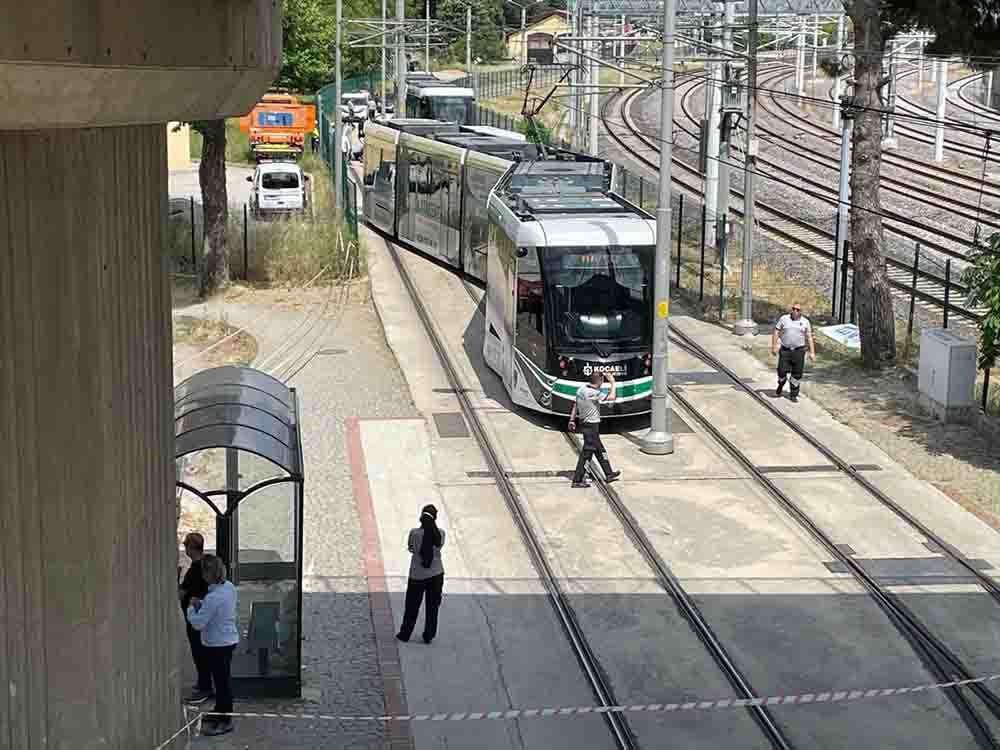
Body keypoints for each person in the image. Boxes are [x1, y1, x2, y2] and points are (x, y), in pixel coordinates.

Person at [186, 555, 239, 737]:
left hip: (217, 644)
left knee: (222, 683)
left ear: (208, 574)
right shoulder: (229, 588)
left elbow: (198, 623)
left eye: (203, 571)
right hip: (227, 640)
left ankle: (225, 720)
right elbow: (217, 611)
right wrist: (203, 605)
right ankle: (219, 711)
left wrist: (191, 607)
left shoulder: (214, 597)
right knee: (221, 680)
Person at [397, 505, 446, 645]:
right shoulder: (441, 534)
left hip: (417, 575)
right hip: (436, 574)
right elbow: (439, 545)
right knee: (433, 606)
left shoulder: (414, 533)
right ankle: (428, 635)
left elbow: (411, 548)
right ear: (435, 518)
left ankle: (405, 634)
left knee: (412, 606)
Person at [568, 372, 621, 488]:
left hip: (585, 424)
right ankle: (577, 480)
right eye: (602, 380)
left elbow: (575, 405)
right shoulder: (593, 393)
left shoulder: (581, 389)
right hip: (591, 426)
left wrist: (572, 420)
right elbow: (611, 398)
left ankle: (609, 473)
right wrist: (612, 382)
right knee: (587, 453)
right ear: (600, 381)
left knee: (600, 450)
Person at [179, 533, 212, 705]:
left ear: (191, 548)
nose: (185, 549)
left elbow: (182, 593)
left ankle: (205, 687)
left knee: (199, 652)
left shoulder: (193, 571)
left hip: (196, 618)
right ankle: (204, 684)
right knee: (204, 651)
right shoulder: (207, 565)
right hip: (205, 616)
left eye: (186, 546)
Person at [771, 302, 816, 402]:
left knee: (797, 374)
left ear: (801, 311)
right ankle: (781, 384)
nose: (795, 311)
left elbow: (809, 337)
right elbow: (776, 331)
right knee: (781, 371)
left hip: (799, 351)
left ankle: (793, 394)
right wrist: (774, 346)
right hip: (785, 350)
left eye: (798, 310)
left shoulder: (805, 322)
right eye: (793, 309)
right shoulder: (784, 319)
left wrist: (812, 352)